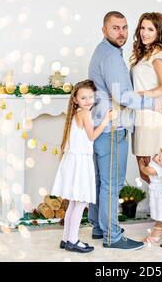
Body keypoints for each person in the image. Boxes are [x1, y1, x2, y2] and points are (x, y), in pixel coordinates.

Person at [87, 11, 162, 250]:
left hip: (102, 127)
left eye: (124, 27)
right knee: (111, 184)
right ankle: (113, 235)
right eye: (115, 28)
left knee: (101, 181)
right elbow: (122, 96)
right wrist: (152, 103)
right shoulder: (110, 56)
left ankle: (99, 228)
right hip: (112, 128)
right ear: (104, 30)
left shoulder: (104, 51)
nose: (121, 32)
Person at [51, 80, 117, 253]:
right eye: (83, 97)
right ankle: (73, 240)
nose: (88, 100)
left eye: (90, 96)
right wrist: (106, 120)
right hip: (80, 162)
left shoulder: (78, 113)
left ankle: (66, 239)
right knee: (80, 202)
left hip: (75, 160)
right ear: (75, 99)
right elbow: (92, 135)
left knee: (74, 202)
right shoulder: (85, 114)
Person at [130, 12, 162, 243]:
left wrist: (137, 95)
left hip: (152, 119)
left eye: (150, 29)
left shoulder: (157, 54)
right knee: (144, 171)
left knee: (153, 172)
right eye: (143, 28)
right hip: (141, 117)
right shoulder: (143, 54)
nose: (145, 33)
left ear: (159, 33)